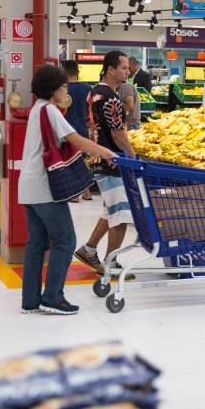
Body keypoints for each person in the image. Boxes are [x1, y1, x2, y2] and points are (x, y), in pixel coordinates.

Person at [18, 65, 117, 315]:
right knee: (66, 240)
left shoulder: (37, 109)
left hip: (29, 186)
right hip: (45, 187)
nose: (66, 90)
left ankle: (30, 301)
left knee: (37, 243)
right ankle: (53, 298)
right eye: (63, 86)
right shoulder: (50, 110)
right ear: (54, 89)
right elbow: (75, 139)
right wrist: (105, 152)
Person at [74, 51, 137, 275]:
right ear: (111, 69)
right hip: (113, 162)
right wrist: (133, 157)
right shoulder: (110, 97)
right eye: (124, 68)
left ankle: (89, 249)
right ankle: (111, 264)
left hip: (99, 158)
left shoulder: (94, 92)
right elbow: (118, 134)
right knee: (120, 216)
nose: (128, 72)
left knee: (110, 210)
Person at [62, 60, 93, 201]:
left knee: (70, 160)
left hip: (67, 129)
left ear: (63, 72)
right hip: (83, 128)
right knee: (83, 160)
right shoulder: (88, 89)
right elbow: (90, 111)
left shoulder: (62, 89)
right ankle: (87, 192)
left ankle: (74, 195)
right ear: (78, 72)